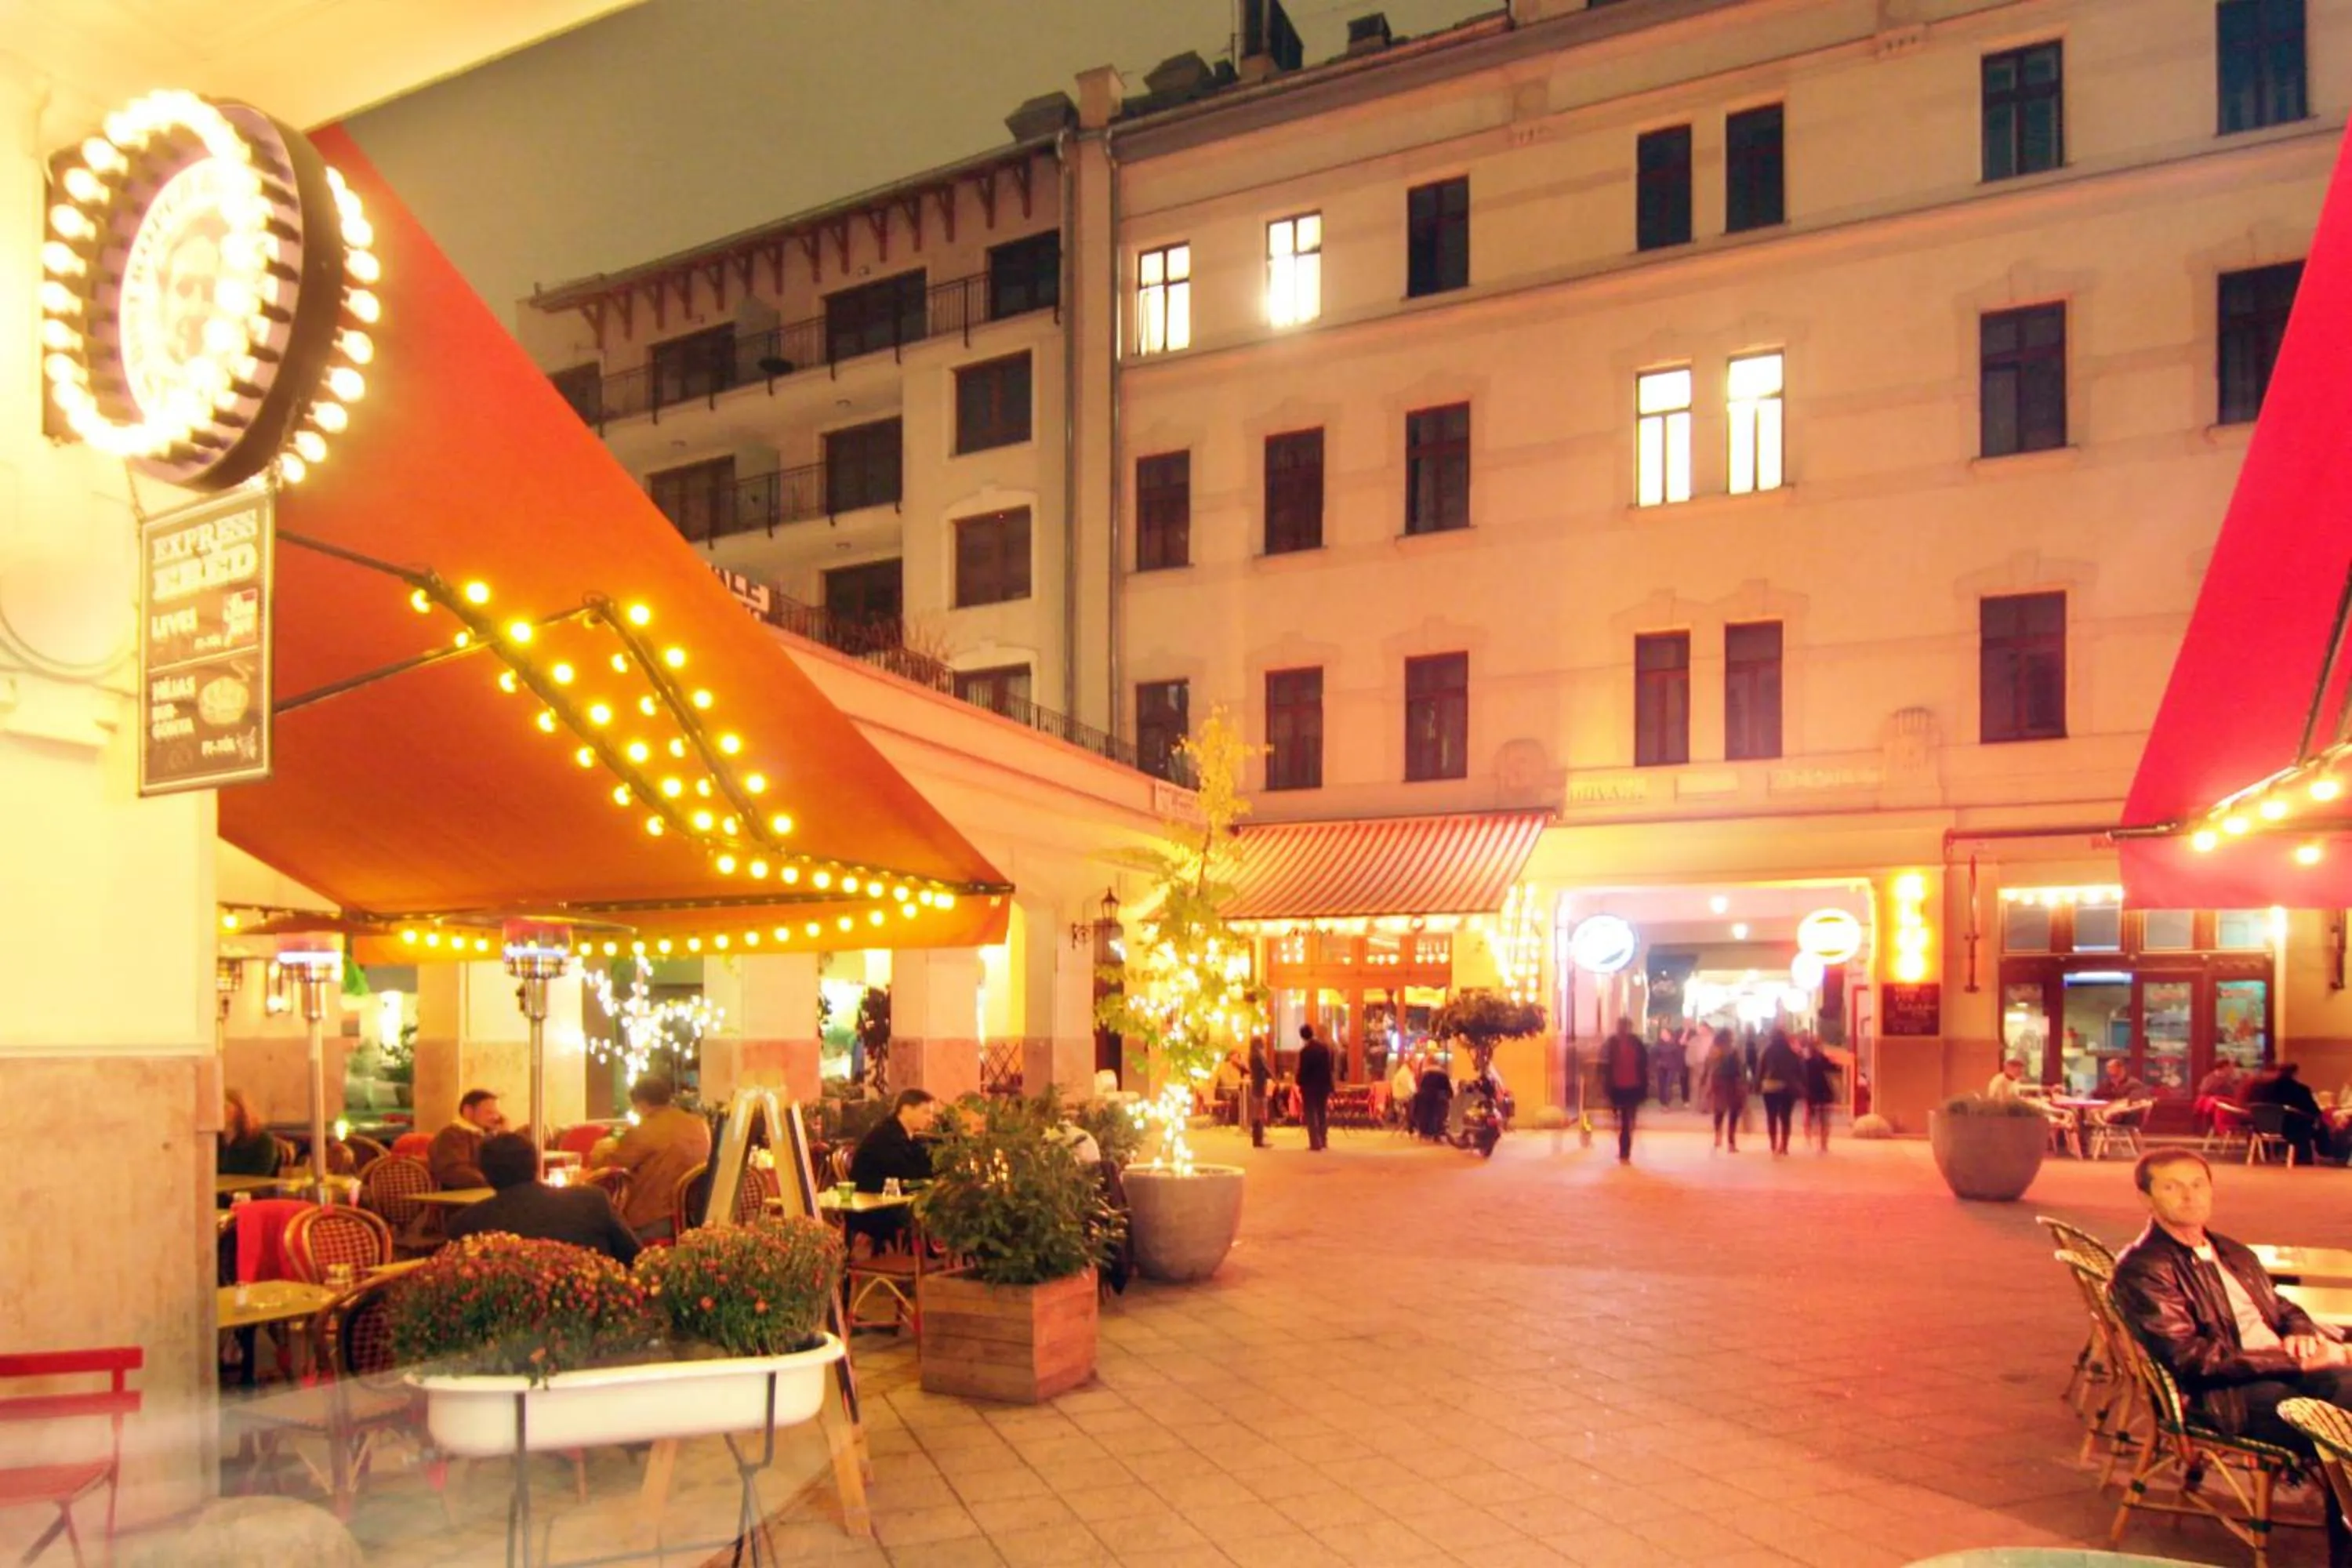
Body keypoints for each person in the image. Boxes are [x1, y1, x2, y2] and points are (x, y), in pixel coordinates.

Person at [2111, 1150, 2352, 1562]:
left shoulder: (2231, 1251)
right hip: (2225, 1398)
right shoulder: (2144, 1267)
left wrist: (2299, 1333)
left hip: (2275, 1371)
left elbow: (2282, 1306)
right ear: (2146, 1199)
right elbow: (2193, 1361)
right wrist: (2296, 1362)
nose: (2189, 1196)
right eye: (2172, 1187)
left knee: (2346, 1402)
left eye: (2198, 1184)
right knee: (2342, 1416)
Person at [446, 1132, 641, 1263]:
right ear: (536, 1165)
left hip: (514, 1318)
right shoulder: (592, 1200)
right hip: (598, 1312)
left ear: (485, 1174)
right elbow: (635, 1257)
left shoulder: (467, 1224)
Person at [591, 1075, 713, 1242]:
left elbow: (606, 1168)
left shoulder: (645, 1131)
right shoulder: (698, 1124)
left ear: (641, 1104)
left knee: (601, 1236)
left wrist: (600, 1149)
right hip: (694, 1217)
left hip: (654, 1221)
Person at [2247, 1062, 2338, 1166]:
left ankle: (2280, 1153)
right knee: (2320, 1124)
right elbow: (2313, 1111)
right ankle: (2326, 1152)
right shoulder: (2300, 1089)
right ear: (2295, 1073)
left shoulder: (2263, 1089)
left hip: (2263, 1126)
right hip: (2291, 1128)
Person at [429, 1089, 504, 1189]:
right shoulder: (451, 1135)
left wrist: (504, 1134)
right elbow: (454, 1171)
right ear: (468, 1111)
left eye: (496, 1113)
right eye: (489, 1113)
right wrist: (496, 1181)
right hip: (461, 1198)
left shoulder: (486, 1135)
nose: (495, 1118)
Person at [1601, 1016, 1648, 1164]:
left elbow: (1644, 1063)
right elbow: (1604, 1063)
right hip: (1617, 1088)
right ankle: (1624, 1148)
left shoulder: (1636, 1043)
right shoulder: (1612, 1043)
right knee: (1623, 1120)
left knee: (1627, 1120)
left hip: (1632, 1087)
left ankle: (1625, 1150)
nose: (1623, 1029)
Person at [1755, 1029, 1802, 1156]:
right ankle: (1784, 1145)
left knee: (1771, 1116)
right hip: (1787, 1087)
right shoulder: (1791, 1053)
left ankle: (1773, 1145)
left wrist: (1757, 1085)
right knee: (1785, 1117)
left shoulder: (1766, 1051)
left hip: (1770, 1086)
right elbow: (1799, 1069)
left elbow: (1760, 1069)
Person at [1702, 1028, 1747, 1152]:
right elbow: (1739, 1068)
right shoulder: (1733, 1050)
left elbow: (1708, 1066)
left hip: (1718, 1083)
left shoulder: (1714, 1050)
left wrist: (1705, 1081)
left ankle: (1717, 1135)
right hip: (1731, 1083)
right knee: (1733, 1113)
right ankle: (1731, 1143)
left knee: (1719, 1110)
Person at [217, 1088, 279, 1178]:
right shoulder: (213, 1140)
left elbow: (259, 1177)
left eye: (225, 1106)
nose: (219, 1112)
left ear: (239, 1109)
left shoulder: (262, 1140)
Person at [1296, 1024, 1335, 1152]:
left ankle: (1315, 1143)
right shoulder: (1323, 1049)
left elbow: (1303, 1071)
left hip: (1309, 1088)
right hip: (1323, 1086)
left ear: (1302, 1036)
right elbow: (1328, 1069)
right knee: (1321, 1112)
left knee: (1311, 1114)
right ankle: (1323, 1140)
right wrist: (1330, 1086)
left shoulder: (1305, 1052)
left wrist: (1299, 1082)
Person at [1801, 1036, 1837, 1153]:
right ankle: (1823, 1143)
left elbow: (1803, 1078)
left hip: (1812, 1094)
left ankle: (1814, 1138)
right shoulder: (1823, 1059)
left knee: (1814, 1118)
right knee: (1824, 1119)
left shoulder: (1806, 1062)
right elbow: (1835, 1069)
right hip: (1825, 1093)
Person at [1248, 1036, 1274, 1148]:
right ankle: (1258, 1139)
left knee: (1257, 1111)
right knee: (1259, 1112)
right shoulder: (1258, 1056)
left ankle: (1257, 1139)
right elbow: (1265, 1069)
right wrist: (1272, 1076)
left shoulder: (1252, 1056)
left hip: (1256, 1083)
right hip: (1259, 1084)